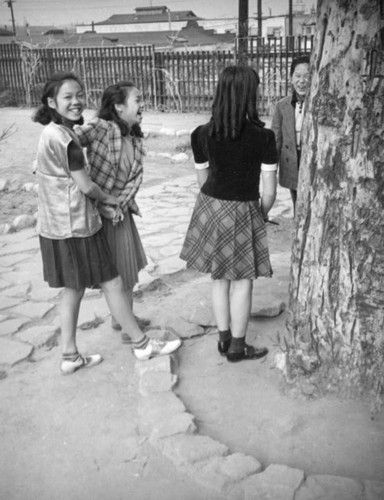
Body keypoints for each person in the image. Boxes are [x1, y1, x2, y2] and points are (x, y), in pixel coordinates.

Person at [32, 72, 181, 374]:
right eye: (68, 97)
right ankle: (142, 345)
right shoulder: (67, 138)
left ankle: (70, 354)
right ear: (51, 102)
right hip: (78, 225)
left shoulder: (55, 133)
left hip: (57, 226)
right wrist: (110, 201)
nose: (76, 102)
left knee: (74, 288)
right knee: (112, 280)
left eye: (79, 95)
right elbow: (86, 186)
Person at [180, 65, 277, 363]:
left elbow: (202, 180)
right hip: (244, 208)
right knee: (243, 280)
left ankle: (223, 339)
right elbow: (270, 193)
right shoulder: (264, 137)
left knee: (218, 276)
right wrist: (258, 215)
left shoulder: (201, 134)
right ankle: (238, 346)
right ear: (250, 94)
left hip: (210, 207)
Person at [74, 81, 148, 343]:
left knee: (127, 270)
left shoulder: (135, 136)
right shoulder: (101, 128)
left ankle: (122, 319)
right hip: (102, 213)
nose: (143, 104)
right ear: (118, 106)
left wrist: (119, 205)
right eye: (137, 100)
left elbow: (135, 179)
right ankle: (129, 329)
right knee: (120, 272)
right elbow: (68, 140)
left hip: (120, 211)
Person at [271, 55, 310, 212]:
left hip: (311, 157)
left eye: (307, 76)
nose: (302, 81)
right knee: (296, 201)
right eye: (297, 76)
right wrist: (271, 166)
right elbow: (276, 138)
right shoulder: (282, 105)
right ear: (291, 78)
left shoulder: (319, 103)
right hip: (292, 159)